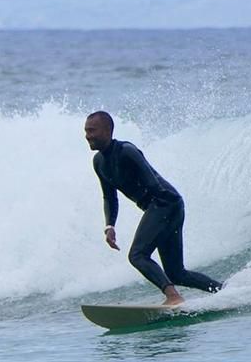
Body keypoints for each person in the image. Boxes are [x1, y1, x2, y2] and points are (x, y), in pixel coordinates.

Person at [84, 111, 222, 305]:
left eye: (92, 130)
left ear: (107, 130)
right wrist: (110, 226)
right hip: (165, 206)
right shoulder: (98, 162)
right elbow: (109, 196)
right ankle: (223, 291)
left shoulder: (127, 151)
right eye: (86, 131)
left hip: (165, 203)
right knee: (176, 273)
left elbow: (152, 183)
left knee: (137, 255)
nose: (88, 135)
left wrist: (159, 210)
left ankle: (173, 297)